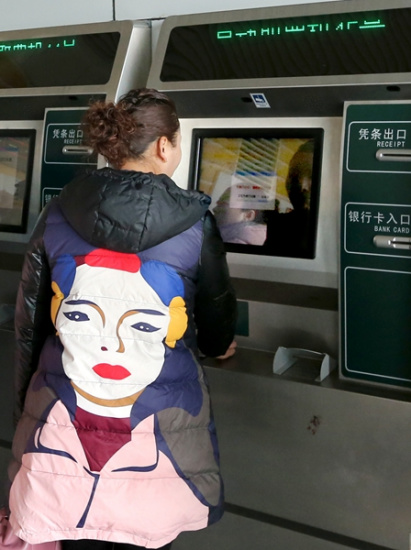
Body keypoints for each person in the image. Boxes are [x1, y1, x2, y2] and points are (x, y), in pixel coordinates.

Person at [8, 88, 237, 550]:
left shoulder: (58, 211)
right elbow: (217, 312)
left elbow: (30, 319)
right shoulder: (196, 221)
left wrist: (26, 402)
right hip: (159, 425)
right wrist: (217, 345)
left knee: (71, 526)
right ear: (163, 146)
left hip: (61, 413)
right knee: (146, 531)